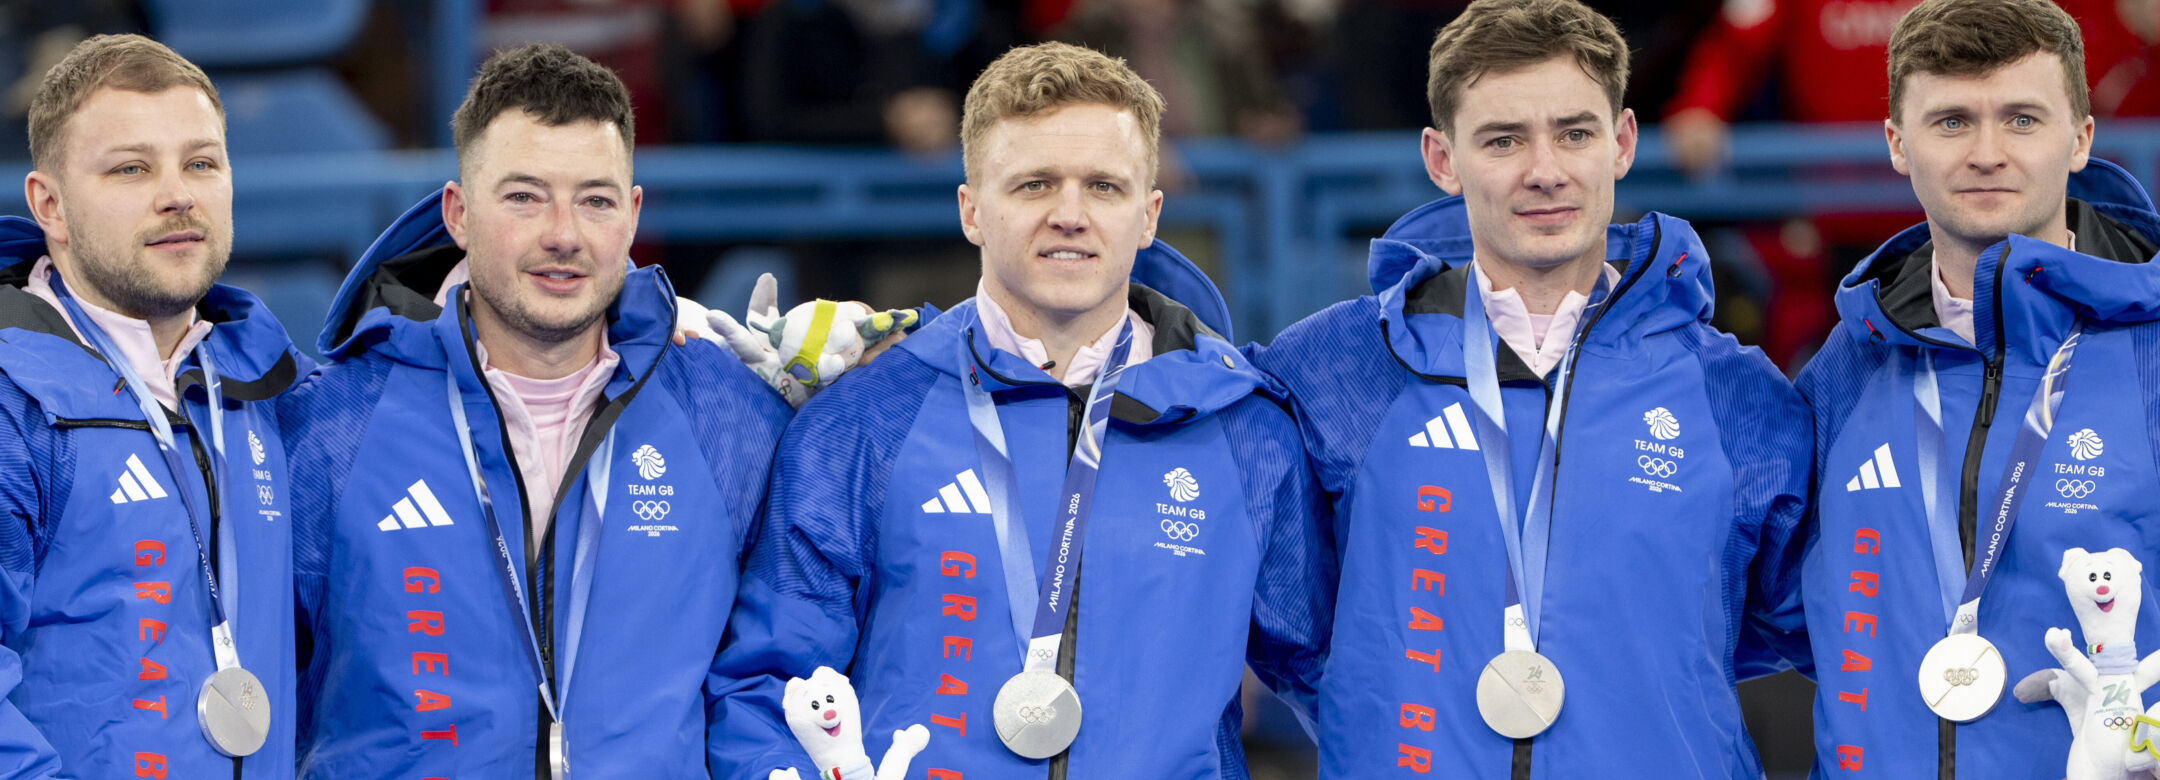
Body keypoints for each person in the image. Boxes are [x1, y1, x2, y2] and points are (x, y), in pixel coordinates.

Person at [706, 41, 1333, 778]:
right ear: (972, 209)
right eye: (1034, 185)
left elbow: (1342, 681)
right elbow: (766, 684)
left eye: (1104, 186)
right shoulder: (863, 420)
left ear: (1149, 214)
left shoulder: (1243, 427)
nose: (1070, 215)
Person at [1254, 0, 1812, 775]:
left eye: (1574, 133)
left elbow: (1783, 620)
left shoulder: (1732, 391)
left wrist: (1636, 688)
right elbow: (1288, 622)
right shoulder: (1336, 365)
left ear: (1621, 143)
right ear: (1442, 158)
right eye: (1503, 139)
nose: (1544, 170)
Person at [278, 43, 792, 777]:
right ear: (457, 212)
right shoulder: (332, 426)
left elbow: (780, 677)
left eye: (596, 199)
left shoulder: (729, 418)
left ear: (633, 212)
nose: (564, 234)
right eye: (524, 196)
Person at [1794, 0, 2160, 775]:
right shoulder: (1846, 364)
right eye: (1952, 121)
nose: (1987, 153)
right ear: (1898, 144)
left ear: (2081, 139)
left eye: (2023, 120)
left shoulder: (2150, 355)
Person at [0, 34, 305, 778]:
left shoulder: (277, 388)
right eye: (131, 168)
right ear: (51, 205)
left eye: (201, 163)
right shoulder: (13, 404)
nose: (179, 193)